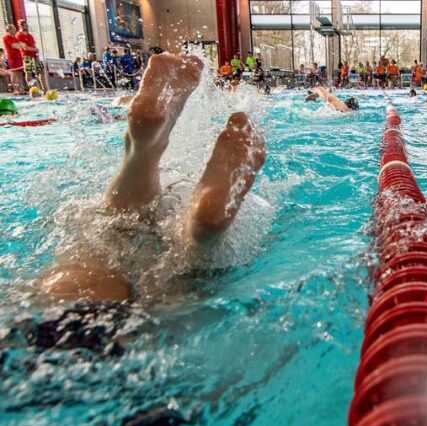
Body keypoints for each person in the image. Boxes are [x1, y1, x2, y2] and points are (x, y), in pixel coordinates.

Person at [37, 53, 266, 301]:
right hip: (88, 307)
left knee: (108, 247)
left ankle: (145, 159)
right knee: (128, 226)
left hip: (68, 322)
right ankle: (197, 232)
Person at [16, 20, 48, 91]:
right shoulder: (19, 35)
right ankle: (32, 89)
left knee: (41, 71)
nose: (26, 26)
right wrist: (35, 49)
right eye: (24, 25)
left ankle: (45, 88)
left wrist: (36, 53)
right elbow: (25, 47)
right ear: (20, 26)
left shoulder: (29, 36)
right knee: (28, 72)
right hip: (26, 56)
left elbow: (34, 45)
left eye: (26, 25)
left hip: (34, 55)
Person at [3, 24, 25, 95]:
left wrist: (19, 45)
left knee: (20, 74)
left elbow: (23, 45)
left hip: (18, 57)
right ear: (9, 30)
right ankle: (15, 90)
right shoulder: (6, 37)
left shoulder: (14, 38)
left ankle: (21, 89)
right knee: (14, 74)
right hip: (12, 58)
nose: (15, 30)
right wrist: (19, 45)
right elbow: (14, 46)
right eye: (14, 29)